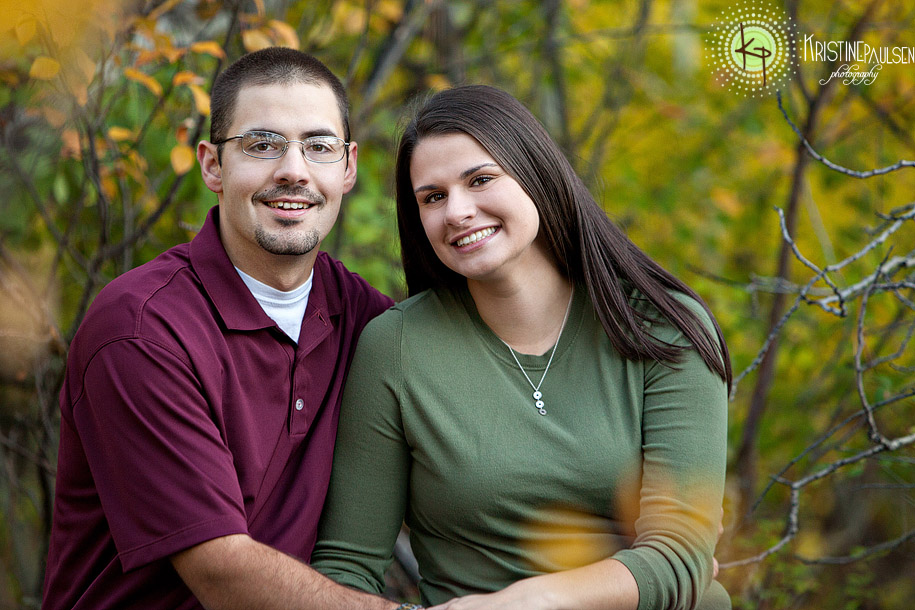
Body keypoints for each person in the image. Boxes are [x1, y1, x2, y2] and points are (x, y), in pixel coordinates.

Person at [311, 84, 732, 610]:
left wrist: (516, 604)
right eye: (433, 197)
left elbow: (680, 555)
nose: (458, 211)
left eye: (481, 180)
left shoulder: (662, 328)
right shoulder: (397, 348)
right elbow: (349, 565)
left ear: (536, 174)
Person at [42, 47, 418, 610]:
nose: (293, 170)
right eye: (262, 145)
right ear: (212, 165)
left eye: (318, 147)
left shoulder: (365, 318)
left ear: (348, 169)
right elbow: (221, 570)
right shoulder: (142, 329)